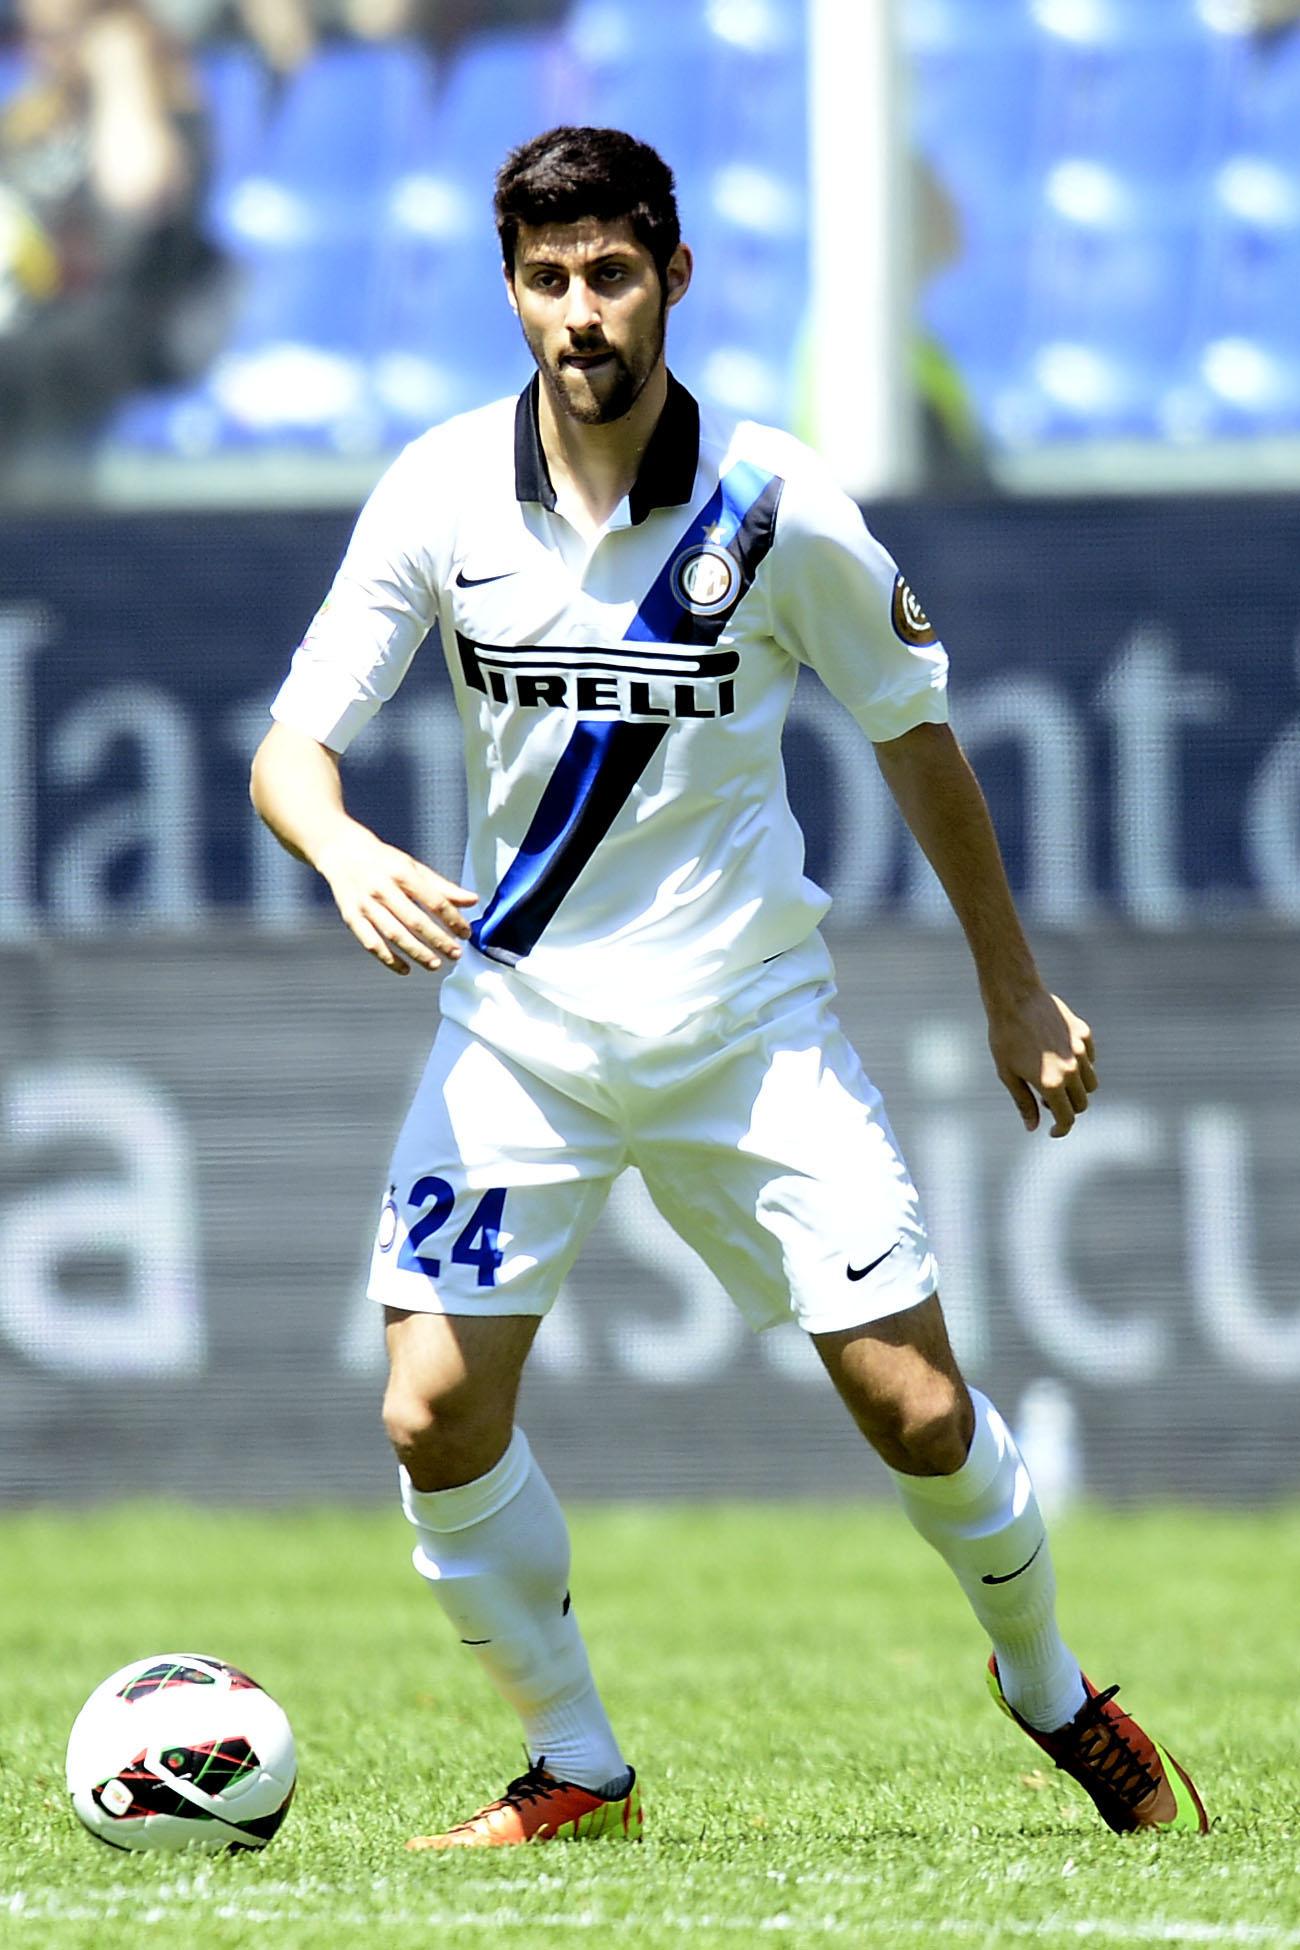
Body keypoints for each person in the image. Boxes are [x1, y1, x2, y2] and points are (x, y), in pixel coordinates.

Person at [250, 125, 1207, 1850]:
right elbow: (289, 750)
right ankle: (575, 1763)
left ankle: (1054, 1685)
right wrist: (343, 850)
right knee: (430, 1410)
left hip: (749, 1028)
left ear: (674, 278)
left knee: (918, 1404)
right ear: (511, 293)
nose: (581, 313)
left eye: (611, 274)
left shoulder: (778, 504)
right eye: (547, 279)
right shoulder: (440, 491)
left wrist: (1013, 988)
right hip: (520, 1030)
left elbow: (917, 739)